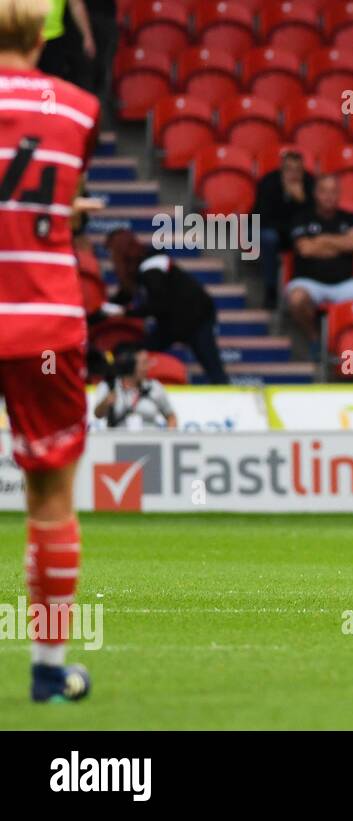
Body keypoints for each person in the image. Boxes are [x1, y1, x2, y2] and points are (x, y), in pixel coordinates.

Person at [0, 0, 100, 703]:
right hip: (42, 318)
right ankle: (47, 669)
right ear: (45, 29)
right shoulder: (78, 108)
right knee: (51, 498)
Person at [103, 228, 229, 384]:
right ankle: (123, 382)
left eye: (111, 252)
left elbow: (157, 304)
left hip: (196, 318)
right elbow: (125, 296)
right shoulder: (140, 268)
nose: (110, 258)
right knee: (139, 348)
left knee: (211, 364)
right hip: (175, 321)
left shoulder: (151, 270)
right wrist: (103, 310)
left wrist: (127, 313)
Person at [284, 174, 353, 348]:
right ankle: (315, 339)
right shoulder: (302, 217)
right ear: (315, 193)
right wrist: (340, 244)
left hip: (344, 284)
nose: (329, 196)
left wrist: (321, 241)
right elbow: (306, 249)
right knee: (297, 299)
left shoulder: (350, 218)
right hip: (309, 283)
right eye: (324, 192)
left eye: (334, 192)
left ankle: (351, 345)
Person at [252, 148, 314, 309]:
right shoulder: (268, 183)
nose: (293, 174)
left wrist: (301, 199)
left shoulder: (310, 183)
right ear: (282, 169)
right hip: (272, 231)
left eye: (297, 170)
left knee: (312, 239)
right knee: (268, 238)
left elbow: (315, 219)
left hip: (297, 233)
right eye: (289, 169)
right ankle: (271, 289)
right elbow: (262, 218)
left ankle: (307, 291)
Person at [92, 346, 178, 429]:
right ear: (130, 365)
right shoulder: (109, 385)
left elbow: (171, 417)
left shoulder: (154, 387)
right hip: (118, 440)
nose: (147, 368)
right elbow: (98, 415)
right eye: (144, 363)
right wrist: (106, 402)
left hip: (150, 441)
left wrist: (166, 440)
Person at [34, 0, 92, 89]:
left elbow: (76, 5)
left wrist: (87, 36)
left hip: (54, 38)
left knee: (52, 85)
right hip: (27, 37)